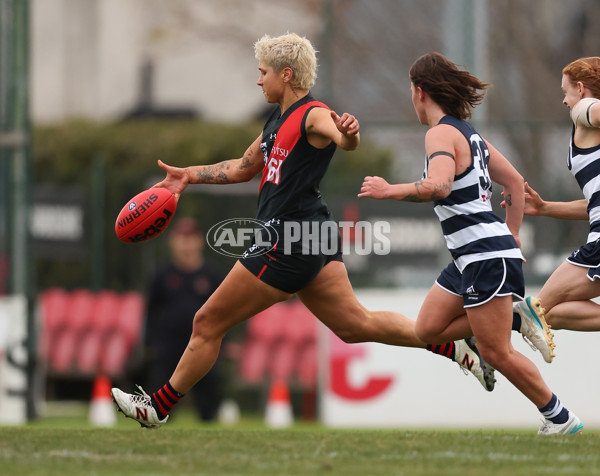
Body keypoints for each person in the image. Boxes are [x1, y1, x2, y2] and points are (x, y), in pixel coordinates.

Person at [112, 33, 500, 429]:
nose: (258, 80)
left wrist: (348, 132)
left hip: (287, 241)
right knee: (355, 326)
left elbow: (344, 140)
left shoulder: (313, 113)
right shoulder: (277, 121)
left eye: (262, 73)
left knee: (207, 321)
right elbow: (244, 167)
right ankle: (453, 348)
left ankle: (157, 406)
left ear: (286, 73)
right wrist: (187, 176)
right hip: (313, 235)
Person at [358, 52, 583, 435]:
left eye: (410, 90)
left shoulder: (440, 133)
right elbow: (514, 183)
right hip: (474, 254)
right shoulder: (469, 134)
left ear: (420, 91)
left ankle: (561, 418)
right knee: (427, 329)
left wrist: (387, 190)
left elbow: (439, 186)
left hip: (482, 255)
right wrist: (511, 235)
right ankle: (512, 317)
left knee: (496, 351)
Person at [504, 57, 600, 347]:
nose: (564, 101)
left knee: (536, 309)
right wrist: (545, 208)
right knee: (549, 313)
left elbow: (593, 111)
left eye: (565, 92)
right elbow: (592, 206)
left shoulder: (584, 108)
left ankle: (473, 336)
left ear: (581, 89)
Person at [144, 217, 225, 422]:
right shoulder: (162, 275)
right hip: (168, 349)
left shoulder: (212, 275)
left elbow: (227, 311)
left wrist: (227, 343)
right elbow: (150, 311)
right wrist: (150, 343)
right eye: (181, 238)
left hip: (203, 348)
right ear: (172, 241)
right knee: (159, 410)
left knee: (209, 410)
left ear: (199, 241)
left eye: (190, 238)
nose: (186, 244)